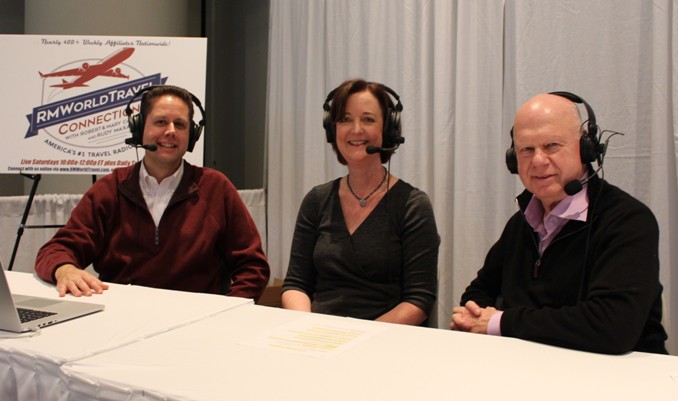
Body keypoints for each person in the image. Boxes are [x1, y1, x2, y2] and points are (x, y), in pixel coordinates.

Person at [450, 91, 667, 354]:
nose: (539, 161)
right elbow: (479, 290)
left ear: (586, 148)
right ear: (513, 159)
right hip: (531, 368)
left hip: (618, 381)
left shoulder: (628, 221)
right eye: (526, 150)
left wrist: (499, 321)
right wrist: (475, 316)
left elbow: (612, 326)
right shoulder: (522, 223)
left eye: (552, 145)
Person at [35, 85, 270, 300]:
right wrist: (64, 269)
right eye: (160, 122)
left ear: (192, 135)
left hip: (195, 326)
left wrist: (227, 313)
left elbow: (253, 267)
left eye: (180, 124)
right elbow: (56, 250)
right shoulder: (110, 189)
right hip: (120, 320)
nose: (170, 131)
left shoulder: (216, 188)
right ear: (139, 129)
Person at [281, 79, 439, 325]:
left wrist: (358, 338)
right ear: (331, 129)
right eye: (345, 119)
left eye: (368, 119)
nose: (355, 129)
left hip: (384, 342)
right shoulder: (317, 200)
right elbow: (295, 284)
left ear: (388, 130)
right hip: (319, 336)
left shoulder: (412, 205)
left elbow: (419, 300)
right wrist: (307, 327)